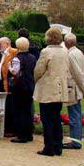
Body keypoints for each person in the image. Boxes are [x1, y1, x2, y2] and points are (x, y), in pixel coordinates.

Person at [33, 27, 70, 157]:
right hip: (60, 89)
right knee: (56, 118)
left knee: (47, 119)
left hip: (48, 89)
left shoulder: (46, 51)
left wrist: (35, 80)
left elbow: (38, 70)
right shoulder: (65, 52)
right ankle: (58, 146)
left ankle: (49, 147)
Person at [63, 33, 84, 149]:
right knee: (76, 114)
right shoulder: (79, 52)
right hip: (78, 86)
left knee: (74, 115)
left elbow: (77, 73)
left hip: (73, 87)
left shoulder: (70, 55)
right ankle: (77, 140)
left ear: (66, 43)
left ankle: (76, 141)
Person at [10, 37, 37, 143]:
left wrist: (9, 68)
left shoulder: (17, 58)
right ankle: (29, 133)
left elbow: (15, 72)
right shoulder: (32, 57)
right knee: (27, 110)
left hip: (20, 86)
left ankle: (21, 135)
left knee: (19, 110)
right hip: (30, 86)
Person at [0, 36, 18, 136]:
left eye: (0, 44)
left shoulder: (14, 52)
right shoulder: (2, 54)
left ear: (7, 44)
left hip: (9, 83)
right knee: (3, 106)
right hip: (1, 83)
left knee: (9, 106)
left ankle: (10, 129)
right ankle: (4, 127)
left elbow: (15, 68)